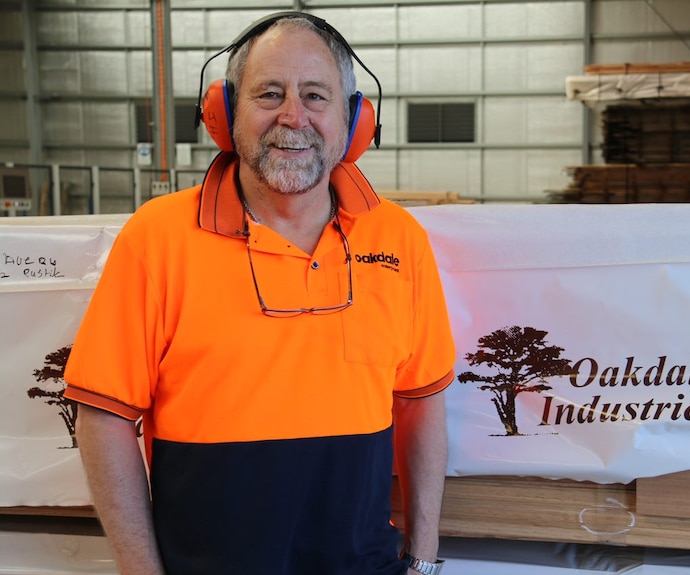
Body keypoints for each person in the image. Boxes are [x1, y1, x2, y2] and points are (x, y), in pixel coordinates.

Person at [63, 12, 456, 575]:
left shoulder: (400, 239)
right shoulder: (157, 239)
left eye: (316, 95)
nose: (293, 116)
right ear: (224, 114)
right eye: (269, 94)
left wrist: (421, 559)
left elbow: (421, 399)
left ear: (355, 119)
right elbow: (102, 416)